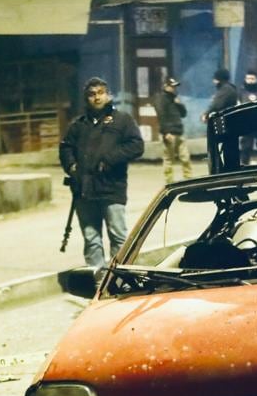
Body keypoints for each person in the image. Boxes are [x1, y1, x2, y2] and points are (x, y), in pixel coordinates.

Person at [59, 77, 145, 267]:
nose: (96, 97)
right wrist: (72, 166)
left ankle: (118, 279)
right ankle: (98, 282)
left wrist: (110, 159)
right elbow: (66, 147)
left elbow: (136, 146)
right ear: (86, 98)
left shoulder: (122, 120)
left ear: (108, 95)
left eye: (100, 93)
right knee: (91, 239)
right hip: (84, 190)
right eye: (91, 94)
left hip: (111, 188)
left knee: (118, 237)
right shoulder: (78, 124)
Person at [152, 76, 191, 182]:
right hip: (169, 133)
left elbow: (183, 114)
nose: (174, 89)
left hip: (179, 132)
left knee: (185, 158)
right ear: (165, 86)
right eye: (172, 86)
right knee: (169, 160)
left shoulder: (174, 98)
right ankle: (169, 183)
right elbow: (161, 115)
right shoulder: (161, 98)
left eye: (175, 87)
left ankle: (188, 179)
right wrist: (166, 132)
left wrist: (179, 104)